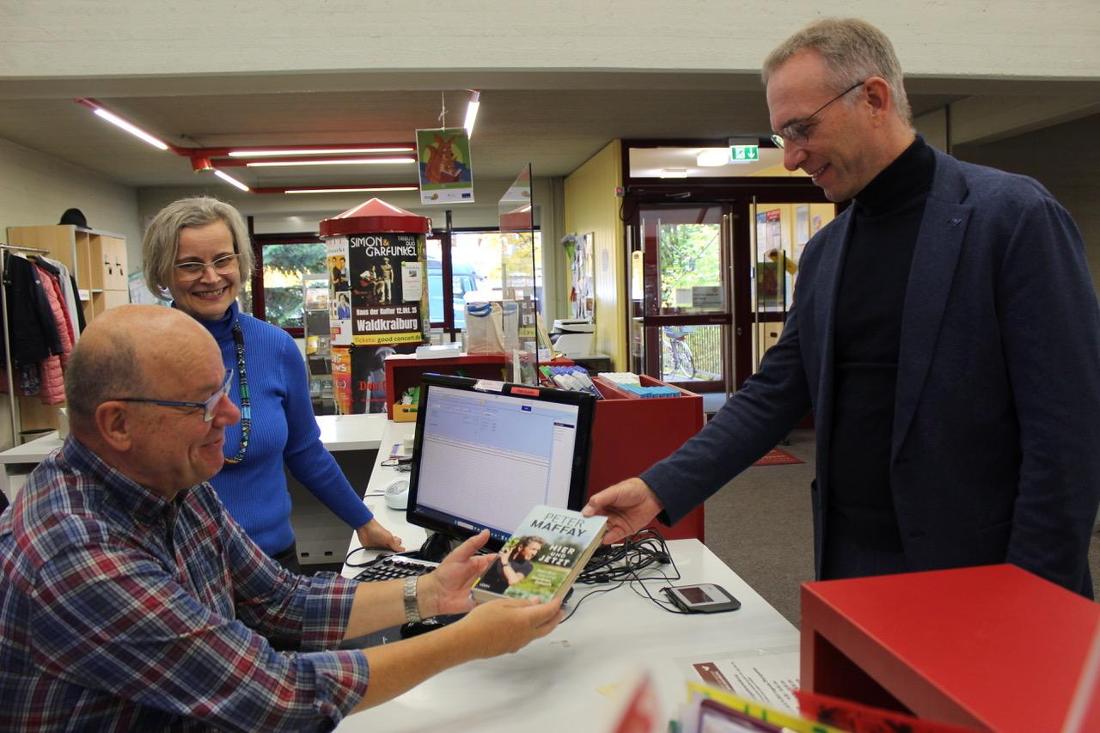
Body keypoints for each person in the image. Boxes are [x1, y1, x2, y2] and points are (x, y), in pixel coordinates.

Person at [584, 17, 1100, 597]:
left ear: (874, 99)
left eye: (802, 128)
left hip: (982, 569)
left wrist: (1036, 596)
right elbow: (774, 395)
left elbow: (1067, 432)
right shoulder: (828, 249)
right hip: (852, 565)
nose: (791, 157)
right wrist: (659, 487)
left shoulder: (1013, 217)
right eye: (783, 135)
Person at [0, 305, 562, 730]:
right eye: (203, 404)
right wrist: (468, 641)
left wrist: (431, 593)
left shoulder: (171, 480)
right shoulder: (74, 555)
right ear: (117, 424)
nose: (233, 414)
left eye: (224, 388)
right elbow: (278, 697)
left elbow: (280, 602)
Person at [142, 197, 402, 572]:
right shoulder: (141, 354)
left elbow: (305, 451)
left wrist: (363, 521)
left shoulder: (274, 347)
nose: (212, 277)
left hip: (273, 561)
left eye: (222, 260)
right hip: (180, 570)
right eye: (190, 265)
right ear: (163, 273)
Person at [478, 536, 545, 593]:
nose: (534, 553)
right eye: (533, 549)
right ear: (520, 547)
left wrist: (505, 562)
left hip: (493, 596)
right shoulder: (503, 553)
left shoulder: (528, 566)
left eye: (537, 551)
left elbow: (513, 581)